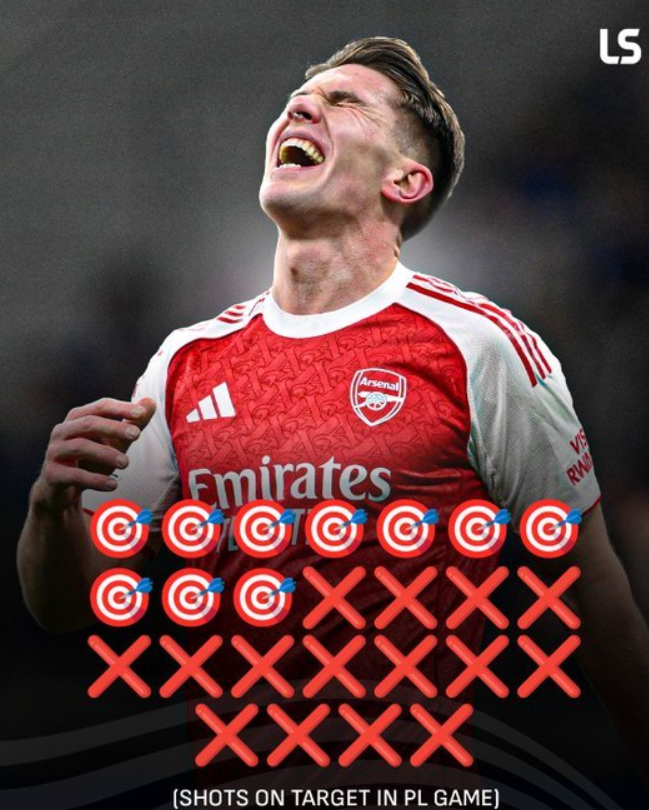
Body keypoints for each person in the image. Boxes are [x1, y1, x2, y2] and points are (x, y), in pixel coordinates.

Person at [17, 37, 649, 789]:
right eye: (298, 99)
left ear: (405, 179)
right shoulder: (185, 361)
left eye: (343, 101)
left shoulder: (479, 346)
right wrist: (50, 508)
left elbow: (597, 604)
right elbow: (66, 607)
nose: (301, 107)